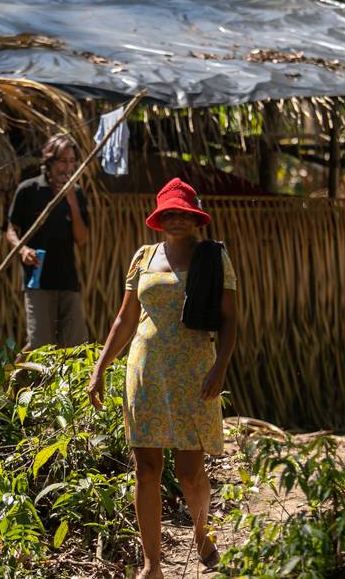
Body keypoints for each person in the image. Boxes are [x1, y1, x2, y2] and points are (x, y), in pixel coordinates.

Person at [86, 177, 238, 579]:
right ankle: (152, 563)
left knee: (190, 471)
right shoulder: (143, 257)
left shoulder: (213, 258)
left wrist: (219, 368)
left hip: (194, 374)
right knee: (146, 469)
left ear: (194, 219)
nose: (175, 220)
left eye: (182, 214)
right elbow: (125, 318)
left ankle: (202, 532)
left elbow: (229, 320)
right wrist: (100, 369)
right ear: (158, 218)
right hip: (145, 373)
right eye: (168, 213)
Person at [6, 133, 89, 355]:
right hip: (38, 282)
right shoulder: (28, 190)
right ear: (49, 161)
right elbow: (11, 230)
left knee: (75, 348)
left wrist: (71, 202)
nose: (68, 167)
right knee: (41, 348)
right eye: (63, 160)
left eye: (72, 161)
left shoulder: (77, 193)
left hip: (68, 281)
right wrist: (23, 249)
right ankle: (26, 386)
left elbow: (82, 239)